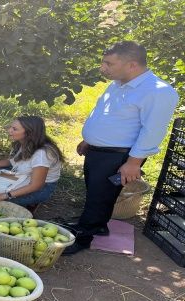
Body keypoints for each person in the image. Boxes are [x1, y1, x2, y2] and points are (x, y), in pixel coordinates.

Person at [64, 41, 179, 255]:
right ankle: (97, 224)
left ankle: (82, 238)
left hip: (118, 155)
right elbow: (108, 114)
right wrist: (90, 139)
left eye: (109, 63)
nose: (103, 68)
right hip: (98, 151)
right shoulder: (118, 84)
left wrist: (133, 162)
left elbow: (152, 131)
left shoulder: (158, 91)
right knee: (96, 192)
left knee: (101, 195)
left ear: (132, 65)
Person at [0, 115, 64, 207]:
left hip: (38, 189)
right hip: (18, 177)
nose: (9, 131)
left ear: (29, 133)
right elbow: (12, 162)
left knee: (0, 202)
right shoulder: (25, 143)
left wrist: (3, 196)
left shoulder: (42, 154)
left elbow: (36, 185)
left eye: (14, 129)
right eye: (11, 127)